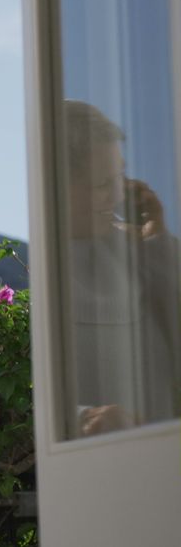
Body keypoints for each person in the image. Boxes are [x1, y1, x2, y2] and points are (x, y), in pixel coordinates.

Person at [61, 99, 181, 437]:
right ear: (57, 186)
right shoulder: (28, 264)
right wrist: (83, 417)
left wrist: (157, 242)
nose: (117, 195)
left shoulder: (138, 247)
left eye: (121, 176)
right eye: (102, 184)